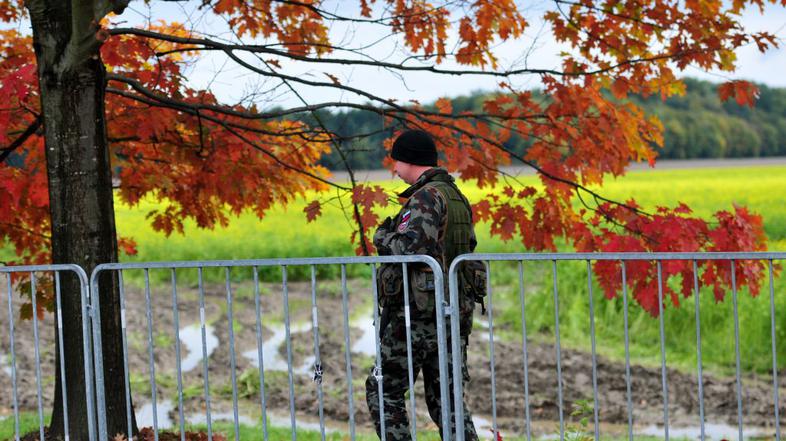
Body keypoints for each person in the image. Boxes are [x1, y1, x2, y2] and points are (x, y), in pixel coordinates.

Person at [366, 129, 479, 441]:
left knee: (383, 388)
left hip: (416, 315)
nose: (394, 169)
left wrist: (381, 236)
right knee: (447, 399)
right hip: (452, 310)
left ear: (408, 161)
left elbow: (411, 250)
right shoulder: (455, 196)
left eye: (396, 162)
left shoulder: (425, 197)